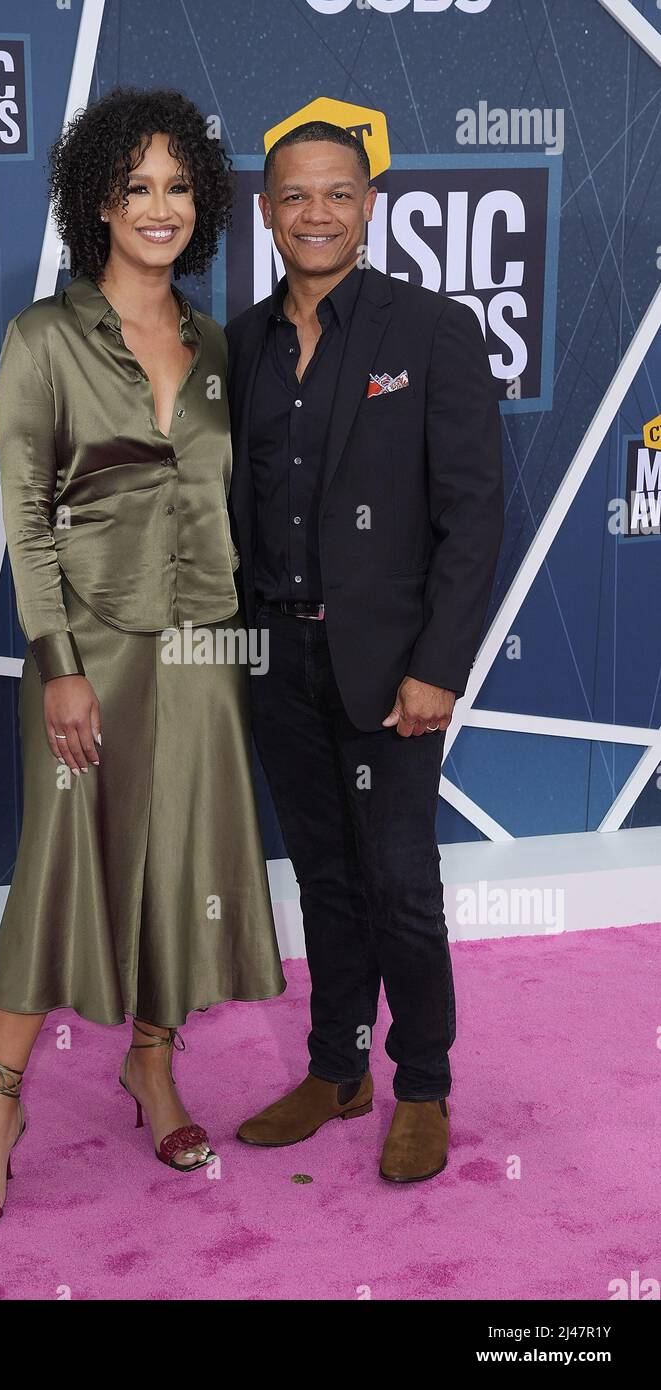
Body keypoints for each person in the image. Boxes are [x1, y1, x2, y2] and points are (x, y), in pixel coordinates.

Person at [0, 87, 285, 1233]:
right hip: (87, 648)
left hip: (200, 645)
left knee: (180, 863)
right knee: (59, 874)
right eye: (135, 186)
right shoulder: (45, 337)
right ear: (96, 201)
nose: (159, 206)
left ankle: (151, 1065)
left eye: (177, 185)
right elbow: (25, 512)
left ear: (204, 201)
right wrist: (60, 663)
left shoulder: (216, 342)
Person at [225, 120, 504, 1182]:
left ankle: (420, 1084)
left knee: (398, 879)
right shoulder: (242, 341)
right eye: (294, 196)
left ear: (368, 204)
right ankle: (335, 1069)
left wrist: (437, 664)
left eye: (336, 193)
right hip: (276, 661)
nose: (315, 214)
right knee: (325, 875)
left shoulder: (430, 329)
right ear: (265, 210)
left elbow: (472, 511)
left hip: (391, 668)